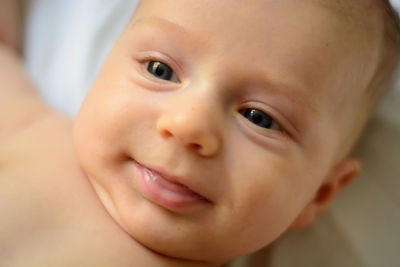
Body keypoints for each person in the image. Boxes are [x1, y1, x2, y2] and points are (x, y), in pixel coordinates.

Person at [1, 0, 399, 266]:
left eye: (259, 118)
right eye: (160, 70)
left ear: (320, 193)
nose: (189, 125)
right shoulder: (31, 130)